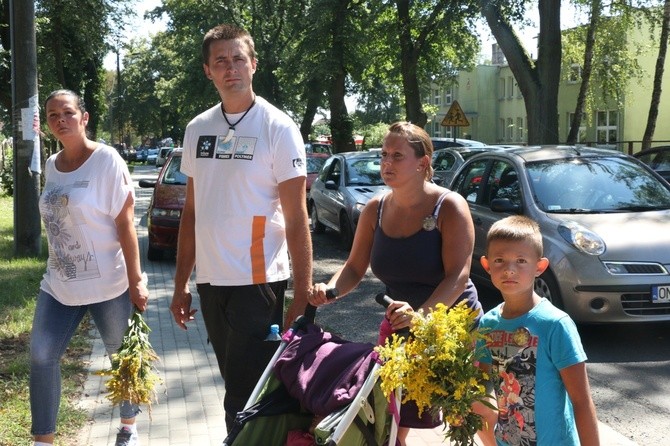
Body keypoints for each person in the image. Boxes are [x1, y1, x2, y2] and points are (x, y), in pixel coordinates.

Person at [169, 24, 313, 430]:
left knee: (243, 395)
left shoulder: (278, 127)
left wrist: (302, 295)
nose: (230, 68)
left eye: (238, 59)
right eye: (221, 61)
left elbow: (298, 217)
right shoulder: (197, 129)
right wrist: (181, 282)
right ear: (207, 71)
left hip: (259, 279)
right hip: (212, 280)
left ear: (253, 64)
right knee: (234, 381)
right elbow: (192, 212)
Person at [309, 122, 483, 445]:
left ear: (423, 162)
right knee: (389, 419)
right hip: (400, 325)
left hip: (451, 326)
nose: (386, 163)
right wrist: (330, 290)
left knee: (467, 416)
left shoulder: (450, 207)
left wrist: (422, 315)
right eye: (384, 155)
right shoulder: (374, 209)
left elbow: (458, 276)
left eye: (397, 156)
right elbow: (354, 267)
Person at [30, 89, 148, 446]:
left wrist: (136, 280)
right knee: (41, 354)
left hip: (109, 284)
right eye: (52, 115)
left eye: (67, 112)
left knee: (122, 358)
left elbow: (126, 225)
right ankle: (43, 440)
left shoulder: (108, 160)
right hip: (60, 284)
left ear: (84, 117)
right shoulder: (52, 165)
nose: (60, 120)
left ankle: (129, 425)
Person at [477, 215, 600, 445]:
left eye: (521, 261)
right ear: (486, 265)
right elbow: (482, 383)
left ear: (540, 267)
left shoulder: (555, 324)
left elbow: (581, 401)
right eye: (500, 260)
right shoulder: (488, 324)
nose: (509, 270)